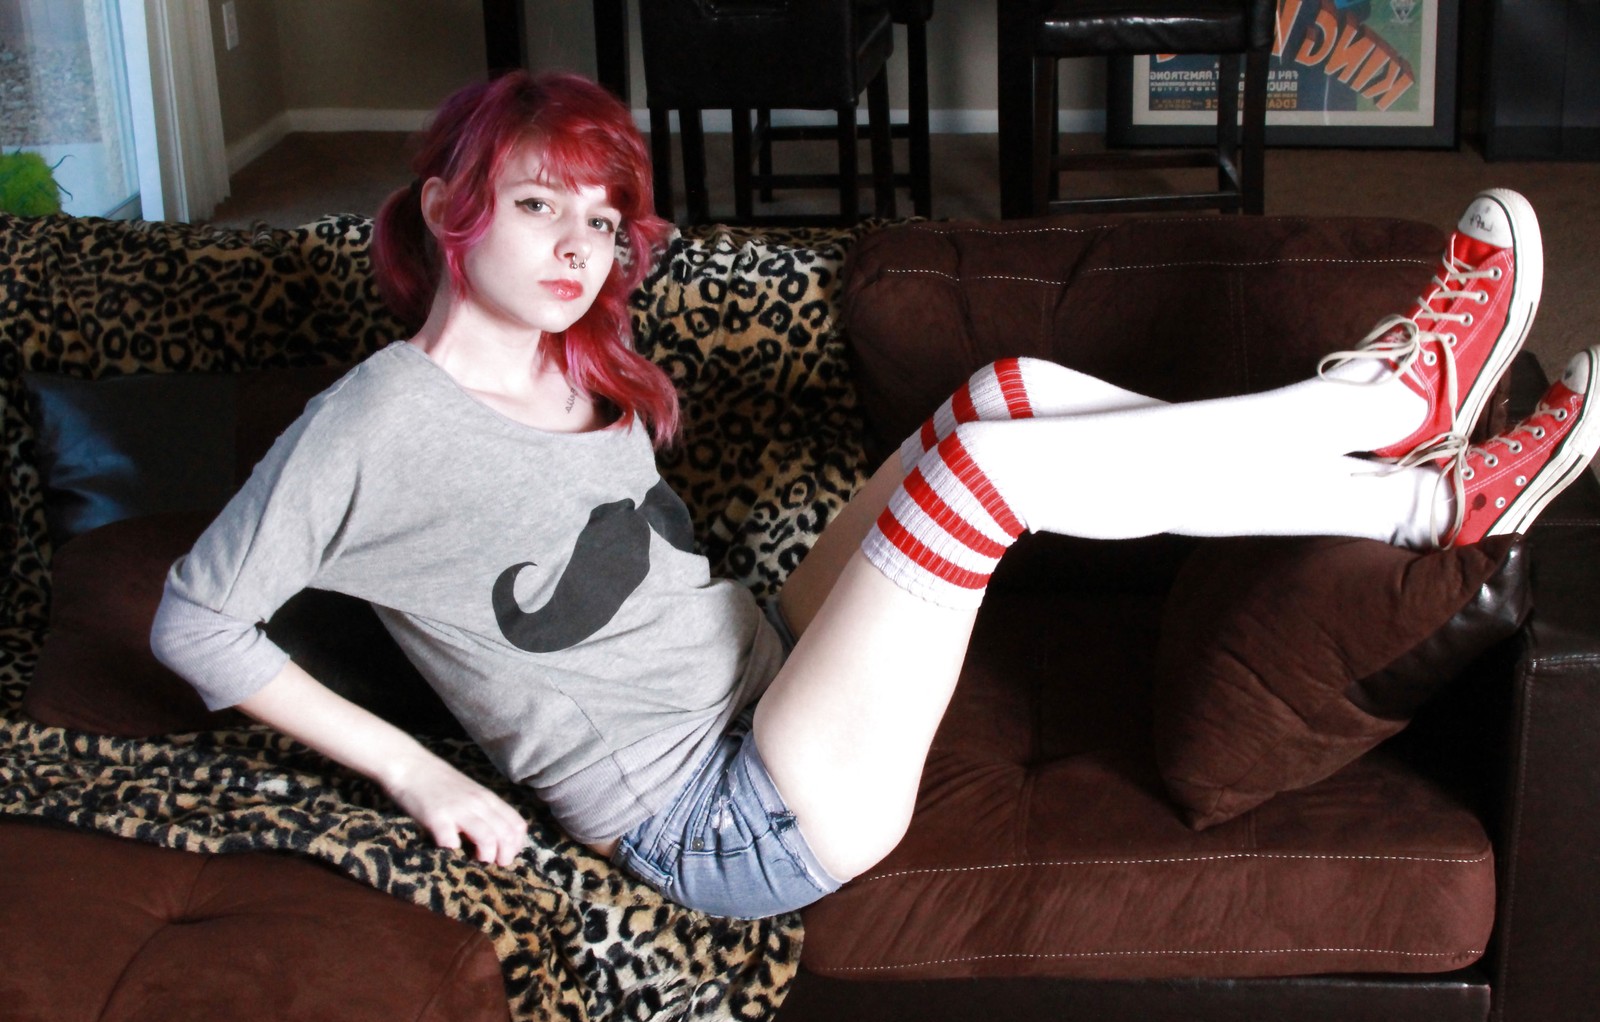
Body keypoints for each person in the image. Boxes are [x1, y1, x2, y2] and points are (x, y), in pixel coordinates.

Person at [151, 70, 1600, 920]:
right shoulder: (376, 422)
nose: (579, 246)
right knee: (987, 475)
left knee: (1005, 391)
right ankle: (1392, 438)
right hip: (726, 816)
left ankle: (1407, 471)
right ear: (447, 209)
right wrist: (424, 776)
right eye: (537, 205)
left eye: (600, 217)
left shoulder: (570, 360)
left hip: (766, 673)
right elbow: (195, 620)